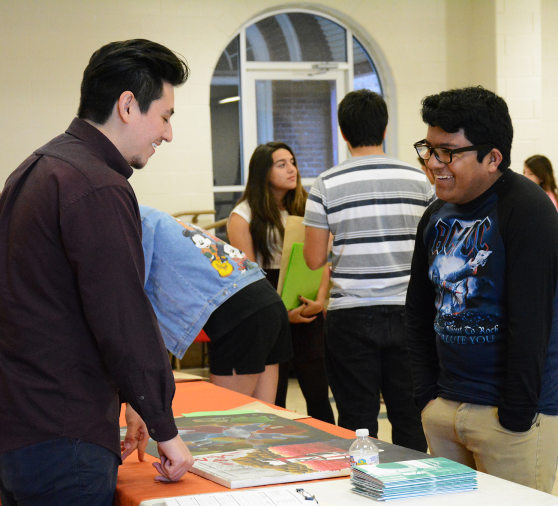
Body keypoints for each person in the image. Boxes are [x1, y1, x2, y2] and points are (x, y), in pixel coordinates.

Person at [0, 40, 194, 505]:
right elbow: (122, 318)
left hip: (20, 426)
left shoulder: (36, 169)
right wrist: (166, 430)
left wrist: (133, 403)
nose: (167, 134)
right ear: (128, 105)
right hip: (65, 438)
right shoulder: (96, 185)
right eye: (165, 116)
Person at [405, 86, 558, 492]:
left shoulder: (527, 210)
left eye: (447, 152)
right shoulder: (435, 216)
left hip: (508, 418)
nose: (432, 163)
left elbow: (531, 324)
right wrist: (428, 398)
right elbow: (419, 312)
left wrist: (513, 415)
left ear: (493, 158)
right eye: (428, 148)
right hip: (445, 408)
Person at [303, 89, 432, 452]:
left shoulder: (326, 183)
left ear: (343, 132)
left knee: (357, 423)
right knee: (411, 418)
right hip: (411, 313)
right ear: (385, 128)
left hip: (351, 317)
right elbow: (435, 246)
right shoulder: (420, 179)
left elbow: (313, 259)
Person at [140, 205, 293, 404]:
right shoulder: (155, 218)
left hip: (241, 314)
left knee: (228, 422)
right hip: (267, 299)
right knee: (262, 419)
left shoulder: (130, 224)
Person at [227, 142, 334, 424]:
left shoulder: (307, 205)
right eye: (281, 164)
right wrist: (282, 315)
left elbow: (323, 260)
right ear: (263, 172)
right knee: (276, 397)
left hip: (305, 296)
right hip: (266, 300)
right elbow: (247, 276)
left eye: (293, 162)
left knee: (318, 393)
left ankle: (330, 454)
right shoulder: (244, 215)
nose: (292, 170)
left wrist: (320, 299)